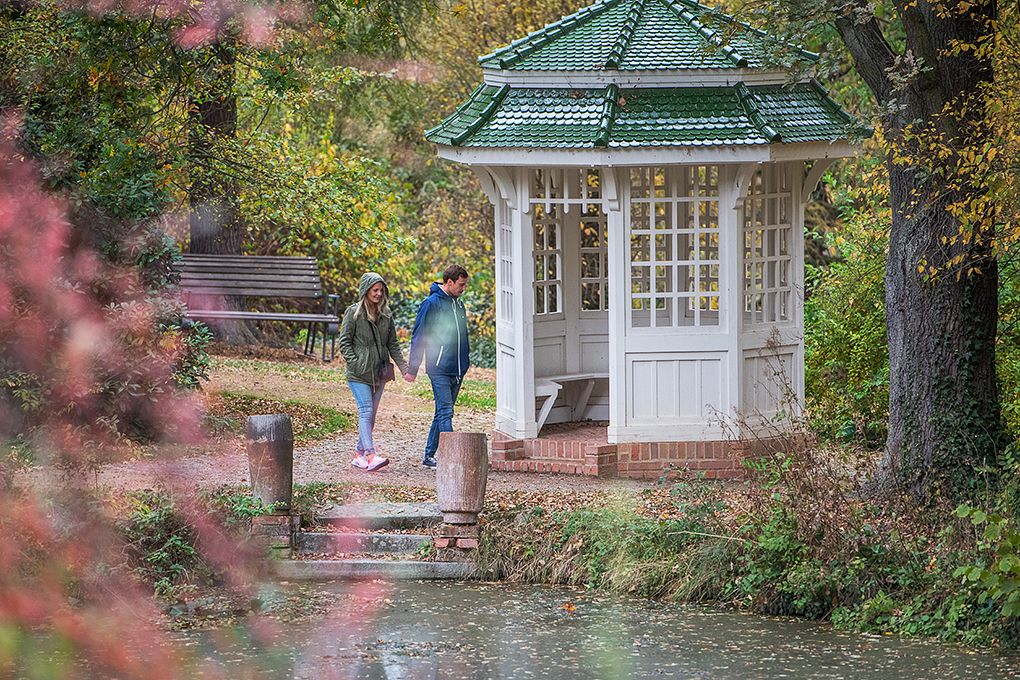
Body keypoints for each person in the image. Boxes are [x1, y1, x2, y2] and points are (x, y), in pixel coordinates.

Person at [338, 272, 414, 471]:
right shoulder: (353, 313)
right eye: (375, 290)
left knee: (370, 415)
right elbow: (344, 342)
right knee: (365, 411)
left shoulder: (386, 315)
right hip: (358, 374)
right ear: (366, 291)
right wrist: (355, 363)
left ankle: (358, 455)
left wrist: (404, 368)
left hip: (379, 372)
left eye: (381, 290)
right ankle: (371, 455)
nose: (378, 294)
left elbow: (393, 344)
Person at [407, 265, 470, 469]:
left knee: (441, 412)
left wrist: (465, 363)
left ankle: (429, 456)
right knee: (446, 412)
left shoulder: (458, 305)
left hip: (457, 369)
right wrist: (413, 368)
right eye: (461, 285)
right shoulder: (431, 304)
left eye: (465, 285)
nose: (464, 288)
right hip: (439, 368)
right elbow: (419, 336)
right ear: (449, 282)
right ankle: (452, 458)